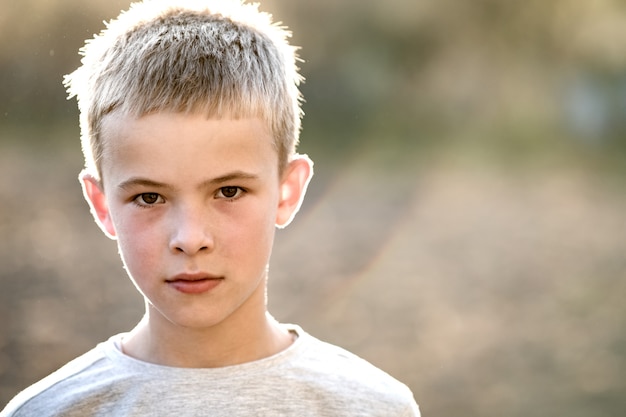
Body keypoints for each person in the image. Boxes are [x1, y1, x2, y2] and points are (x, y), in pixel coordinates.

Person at [1, 0, 420, 415]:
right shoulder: (50, 411)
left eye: (229, 192)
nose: (190, 239)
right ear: (102, 204)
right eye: (149, 198)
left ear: (287, 191)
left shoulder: (373, 407)